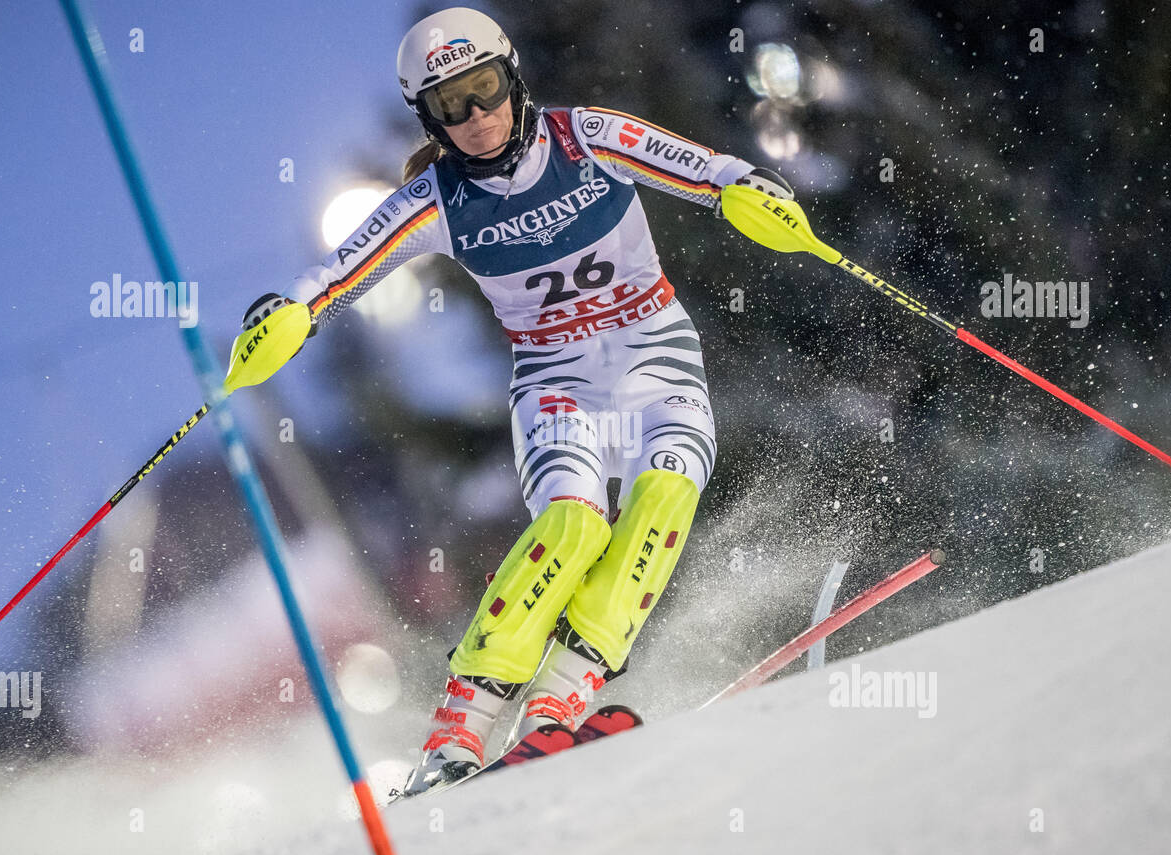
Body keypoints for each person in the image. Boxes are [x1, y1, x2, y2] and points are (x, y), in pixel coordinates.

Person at [240, 6, 794, 796]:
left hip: (654, 354)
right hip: (557, 379)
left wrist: (751, 189)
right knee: (571, 523)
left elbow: (705, 170)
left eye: (484, 89)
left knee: (666, 495)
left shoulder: (586, 137)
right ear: (426, 118)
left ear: (512, 75)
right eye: (448, 106)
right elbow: (337, 273)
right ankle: (459, 729)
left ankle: (561, 699)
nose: (474, 117)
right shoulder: (434, 200)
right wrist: (290, 312)